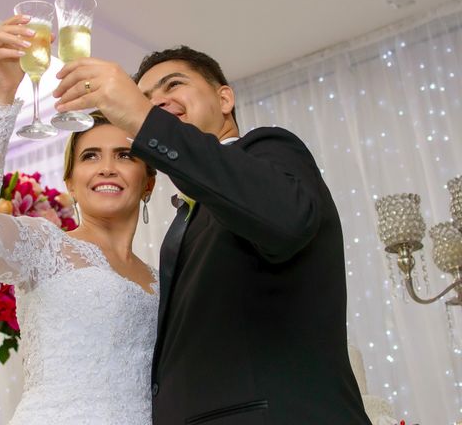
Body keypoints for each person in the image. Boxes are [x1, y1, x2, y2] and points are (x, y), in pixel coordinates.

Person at [53, 46, 372, 424]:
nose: (157, 103)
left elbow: (286, 220)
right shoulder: (189, 214)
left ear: (225, 99)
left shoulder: (268, 149)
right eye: (146, 98)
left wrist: (141, 116)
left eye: (173, 85)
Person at [0, 15, 158, 425]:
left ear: (148, 183)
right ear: (71, 182)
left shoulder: (163, 278)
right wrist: (2, 95)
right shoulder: (45, 246)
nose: (107, 168)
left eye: (125, 156)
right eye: (90, 156)